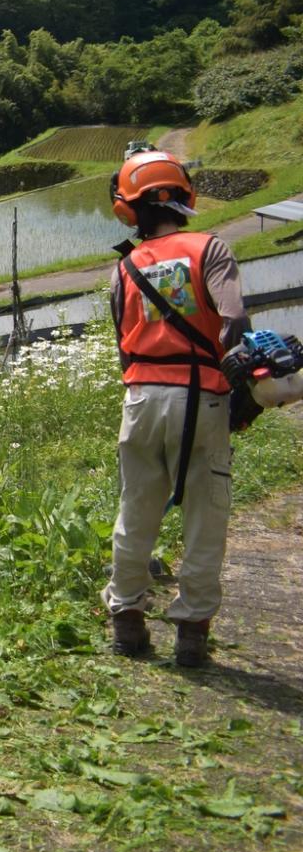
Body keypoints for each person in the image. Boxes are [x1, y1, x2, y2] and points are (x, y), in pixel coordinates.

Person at [102, 151, 248, 668]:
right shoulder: (209, 249)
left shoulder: (126, 266)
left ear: (129, 208)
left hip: (140, 397)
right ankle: (190, 633)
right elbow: (234, 323)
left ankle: (126, 621)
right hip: (202, 395)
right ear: (183, 197)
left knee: (136, 510)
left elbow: (123, 344)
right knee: (204, 517)